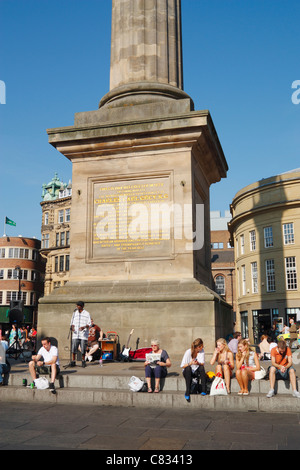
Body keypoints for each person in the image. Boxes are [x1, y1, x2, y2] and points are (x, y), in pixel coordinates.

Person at [70, 301, 92, 368]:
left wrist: (84, 327)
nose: (77, 307)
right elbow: (71, 322)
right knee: (74, 348)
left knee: (83, 349)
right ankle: (73, 361)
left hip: (83, 334)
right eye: (77, 305)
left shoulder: (87, 313)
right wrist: (72, 327)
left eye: (78, 305)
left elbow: (89, 324)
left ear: (82, 306)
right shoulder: (74, 313)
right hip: (76, 334)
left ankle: (83, 361)